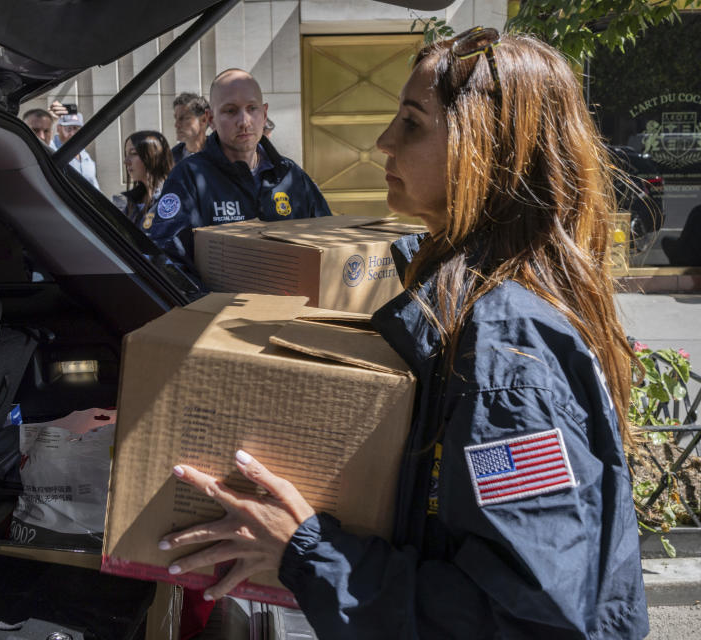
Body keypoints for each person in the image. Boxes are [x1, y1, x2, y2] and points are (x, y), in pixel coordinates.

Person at [158, 28, 650, 638]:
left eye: (412, 124)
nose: (384, 140)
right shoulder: (477, 311)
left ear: (485, 151)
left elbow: (533, 621)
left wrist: (308, 553)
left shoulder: (506, 355)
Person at [147, 69, 332, 272]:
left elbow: (328, 242)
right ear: (211, 119)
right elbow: (168, 259)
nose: (244, 122)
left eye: (252, 108)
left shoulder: (291, 176)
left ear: (264, 113)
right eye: (230, 111)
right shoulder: (188, 177)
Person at [112, 131, 174, 230]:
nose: (126, 161)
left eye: (133, 153)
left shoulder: (169, 200)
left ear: (153, 156)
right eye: (126, 154)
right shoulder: (132, 201)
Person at [48, 101, 100, 190]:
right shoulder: (51, 149)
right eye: (68, 129)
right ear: (58, 128)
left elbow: (95, 188)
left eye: (76, 128)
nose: (72, 133)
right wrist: (49, 121)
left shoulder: (85, 156)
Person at [172, 92, 210, 164]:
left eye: (183, 118)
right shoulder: (170, 160)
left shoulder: (224, 156)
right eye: (175, 118)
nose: (176, 125)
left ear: (203, 120)